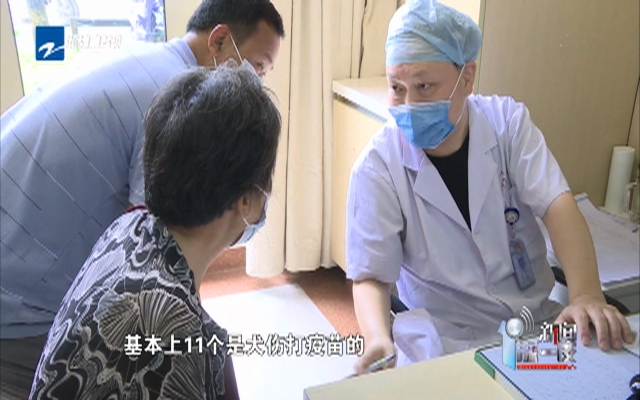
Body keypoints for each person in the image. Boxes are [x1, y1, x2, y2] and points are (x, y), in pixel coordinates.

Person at [0, 1, 284, 397]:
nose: (255, 82)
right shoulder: (169, 95)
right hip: (17, 302)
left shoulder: (126, 229)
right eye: (257, 68)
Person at [346, 0, 635, 374]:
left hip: (532, 330)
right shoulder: (377, 167)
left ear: (467, 77)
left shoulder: (508, 124)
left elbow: (558, 205)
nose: (409, 104)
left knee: (594, 377)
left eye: (424, 86)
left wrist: (586, 295)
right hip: (445, 344)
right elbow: (370, 274)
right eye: (396, 88)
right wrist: (377, 338)